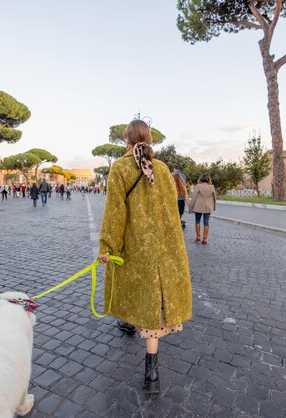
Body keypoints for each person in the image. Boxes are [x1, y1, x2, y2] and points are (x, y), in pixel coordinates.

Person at [98, 119, 192, 395]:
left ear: (126, 140)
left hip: (135, 249)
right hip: (161, 250)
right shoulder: (162, 169)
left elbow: (115, 213)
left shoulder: (119, 168)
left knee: (133, 292)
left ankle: (127, 321)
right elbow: (170, 214)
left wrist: (107, 247)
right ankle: (152, 373)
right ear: (150, 139)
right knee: (156, 310)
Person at [190, 174, 216, 244]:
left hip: (198, 206)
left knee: (197, 221)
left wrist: (190, 207)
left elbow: (193, 198)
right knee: (206, 222)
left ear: (200, 179)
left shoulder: (198, 186)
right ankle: (205, 239)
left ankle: (198, 237)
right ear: (208, 180)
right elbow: (214, 198)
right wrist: (214, 207)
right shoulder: (212, 187)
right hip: (208, 207)